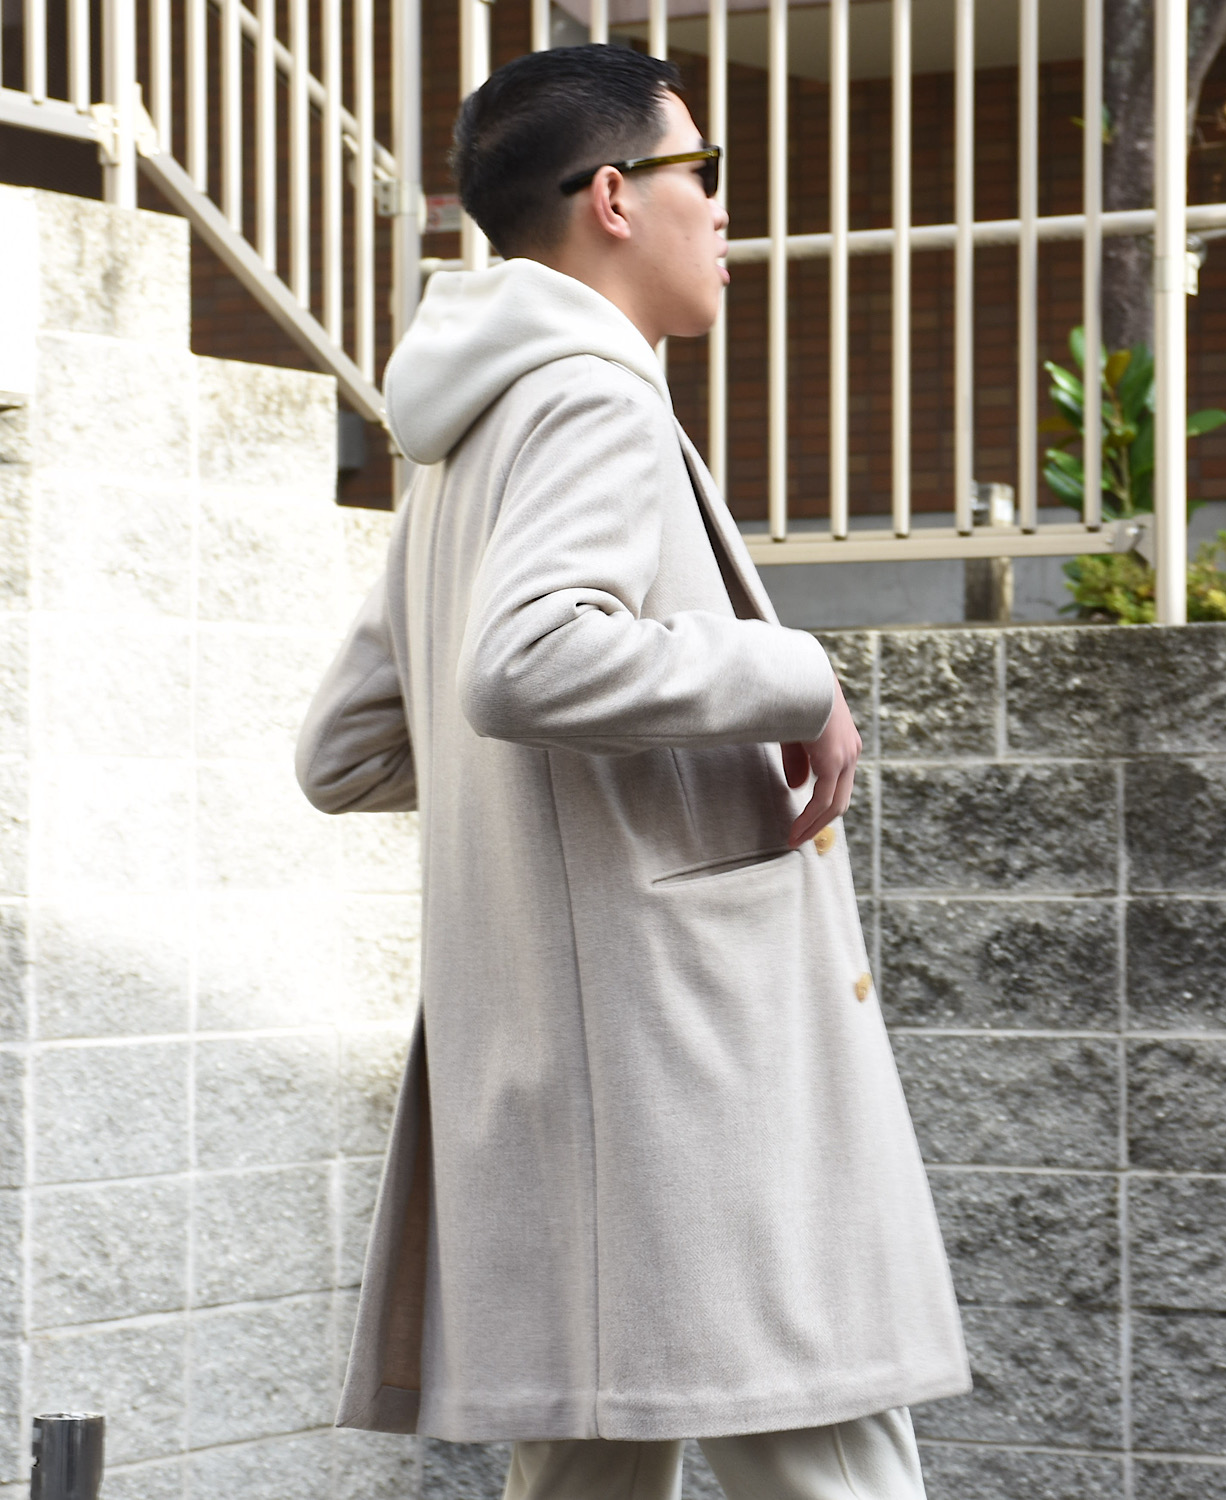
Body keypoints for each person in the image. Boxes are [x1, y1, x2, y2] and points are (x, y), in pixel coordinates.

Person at [295, 43, 968, 1500]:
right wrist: (794, 674)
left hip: (567, 1081)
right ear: (613, 196)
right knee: (830, 1447)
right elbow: (525, 662)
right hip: (683, 1069)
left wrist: (526, 808)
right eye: (702, 172)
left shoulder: (465, 437)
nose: (722, 209)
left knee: (592, 1471)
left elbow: (348, 748)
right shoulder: (591, 399)